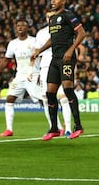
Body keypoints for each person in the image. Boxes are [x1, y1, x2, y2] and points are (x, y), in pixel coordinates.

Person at [32, 0, 86, 141]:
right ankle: (54, 128)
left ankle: (78, 126)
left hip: (66, 58)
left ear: (63, 0)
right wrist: (38, 51)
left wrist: (70, 50)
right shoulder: (53, 19)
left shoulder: (69, 15)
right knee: (50, 93)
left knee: (68, 90)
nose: (53, 1)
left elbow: (82, 34)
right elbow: (52, 39)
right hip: (55, 59)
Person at [31, 10, 72, 138]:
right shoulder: (41, 33)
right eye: (48, 17)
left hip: (59, 64)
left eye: (52, 16)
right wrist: (33, 72)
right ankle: (55, 127)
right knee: (46, 98)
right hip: (44, 67)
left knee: (63, 97)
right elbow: (36, 53)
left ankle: (68, 129)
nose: (50, 19)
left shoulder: (64, 29)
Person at [0, 18, 41, 137]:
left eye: (22, 26)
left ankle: (57, 127)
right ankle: (9, 129)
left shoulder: (34, 41)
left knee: (43, 101)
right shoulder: (13, 43)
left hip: (33, 74)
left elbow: (40, 56)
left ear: (28, 28)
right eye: (18, 26)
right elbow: (7, 59)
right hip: (19, 76)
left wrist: (41, 73)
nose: (20, 27)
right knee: (9, 99)